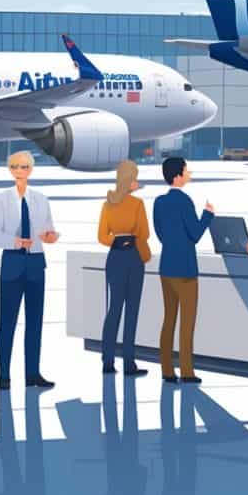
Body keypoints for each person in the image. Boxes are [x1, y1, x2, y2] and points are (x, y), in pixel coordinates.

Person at [0, 151, 59, 390]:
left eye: (25, 166)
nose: (20, 170)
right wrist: (16, 242)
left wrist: (50, 236)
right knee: (7, 322)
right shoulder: (1, 200)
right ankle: (4, 373)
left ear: (31, 169)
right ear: (10, 169)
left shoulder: (41, 199)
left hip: (36, 264)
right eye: (16, 166)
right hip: (12, 263)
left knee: (35, 323)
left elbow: (48, 228)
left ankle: (32, 373)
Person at [152, 156, 213, 384]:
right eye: (187, 171)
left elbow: (159, 233)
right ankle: (187, 371)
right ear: (177, 175)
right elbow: (196, 234)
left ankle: (167, 370)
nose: (189, 174)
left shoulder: (159, 202)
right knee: (187, 323)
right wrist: (208, 214)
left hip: (166, 266)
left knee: (168, 320)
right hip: (185, 269)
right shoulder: (185, 201)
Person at [97, 160, 151, 376]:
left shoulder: (107, 204)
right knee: (132, 311)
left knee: (114, 309)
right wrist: (131, 239)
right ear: (129, 180)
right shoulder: (137, 205)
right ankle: (129, 363)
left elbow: (101, 236)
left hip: (114, 258)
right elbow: (144, 234)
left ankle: (107, 360)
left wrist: (115, 241)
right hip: (134, 258)